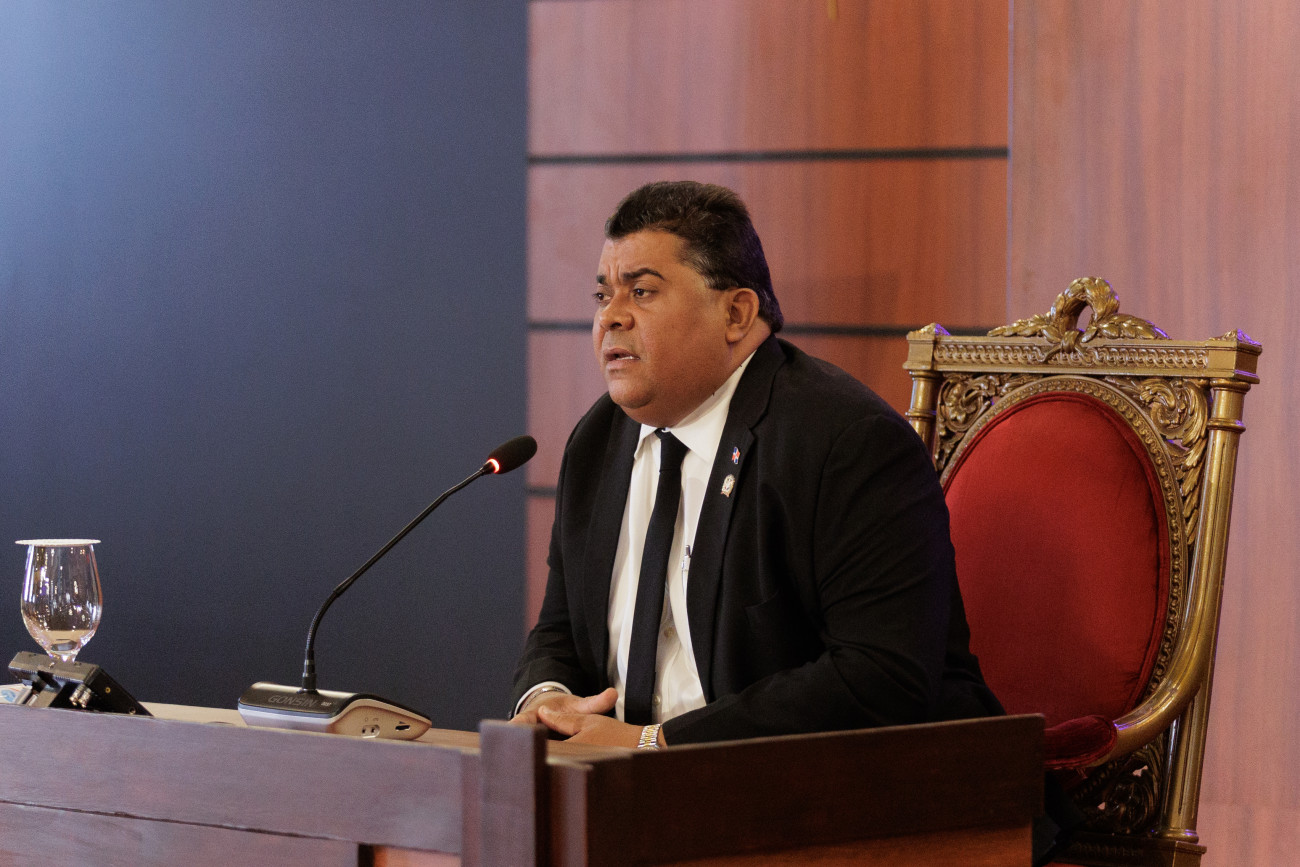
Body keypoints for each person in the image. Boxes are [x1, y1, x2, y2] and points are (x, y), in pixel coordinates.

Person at [510, 180, 1001, 750]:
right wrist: (547, 699)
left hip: (847, 785)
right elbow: (561, 627)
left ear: (736, 313)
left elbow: (881, 677)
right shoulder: (598, 440)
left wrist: (655, 745)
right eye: (603, 296)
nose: (611, 318)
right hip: (628, 786)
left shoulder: (846, 442)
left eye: (641, 292)